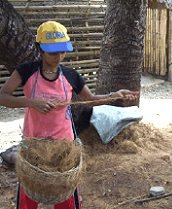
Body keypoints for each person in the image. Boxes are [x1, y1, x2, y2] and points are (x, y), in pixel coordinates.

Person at [0, 21, 138, 209]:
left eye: (62, 51)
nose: (59, 57)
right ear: (40, 49)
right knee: (29, 192)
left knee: (65, 193)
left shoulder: (71, 75)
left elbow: (89, 99)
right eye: (53, 52)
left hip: (64, 145)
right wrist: (31, 102)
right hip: (34, 144)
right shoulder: (27, 71)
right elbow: (3, 96)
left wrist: (114, 96)